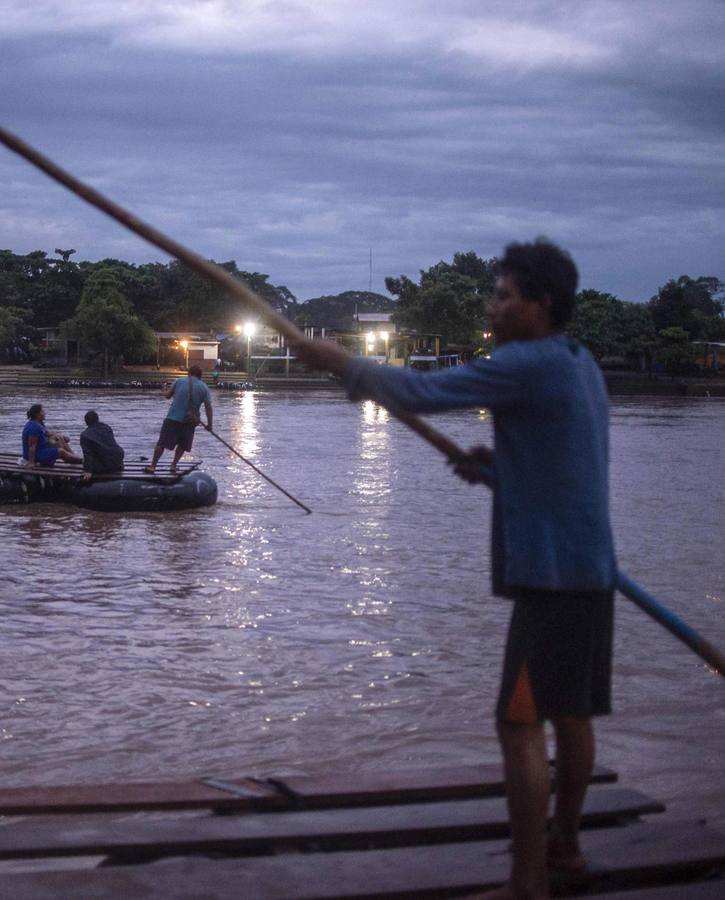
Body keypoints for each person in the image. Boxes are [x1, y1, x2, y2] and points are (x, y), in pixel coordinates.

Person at [288, 239, 616, 900]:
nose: (492, 307)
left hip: (551, 581)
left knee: (518, 723)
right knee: (571, 714)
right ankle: (567, 848)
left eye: (504, 296)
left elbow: (420, 391)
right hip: (592, 570)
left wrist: (338, 363)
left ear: (540, 305)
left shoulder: (526, 362)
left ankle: (527, 885)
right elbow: (567, 461)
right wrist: (500, 468)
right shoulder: (579, 363)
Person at [144, 365, 212, 474]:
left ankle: (153, 466)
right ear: (200, 376)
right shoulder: (204, 387)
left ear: (188, 373)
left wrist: (164, 390)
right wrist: (209, 425)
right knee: (183, 445)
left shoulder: (179, 381)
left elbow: (167, 396)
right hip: (190, 421)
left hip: (173, 418)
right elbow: (208, 407)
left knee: (162, 443)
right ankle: (173, 465)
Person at [78, 410, 125, 481]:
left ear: (86, 422)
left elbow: (88, 454)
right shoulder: (107, 427)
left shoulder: (85, 435)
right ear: (97, 419)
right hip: (118, 459)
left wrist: (88, 471)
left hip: (105, 464)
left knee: (85, 461)